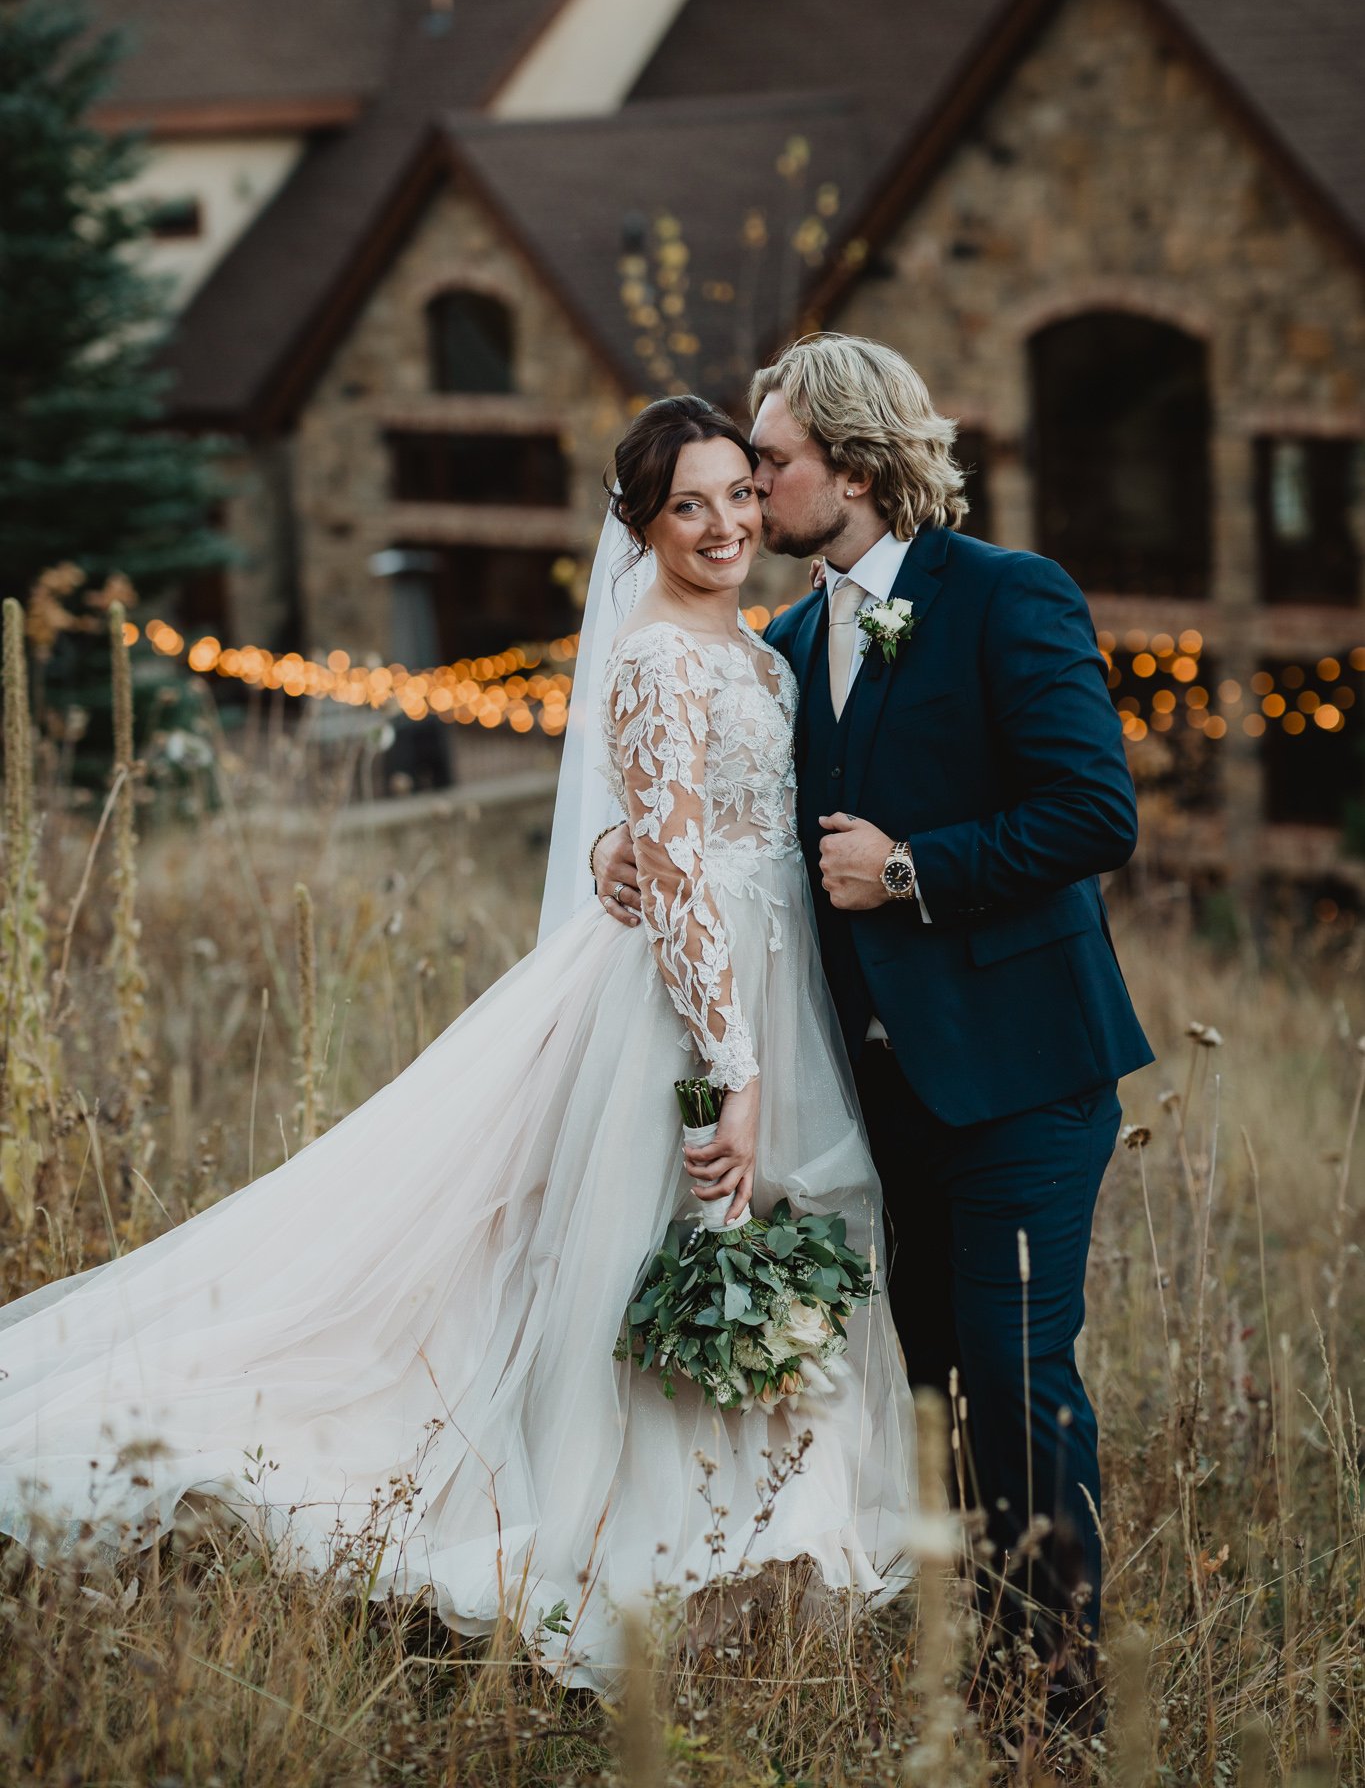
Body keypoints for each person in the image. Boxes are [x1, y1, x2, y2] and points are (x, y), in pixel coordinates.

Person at [0, 395, 915, 1692]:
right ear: (641, 529)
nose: (721, 525)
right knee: (668, 1244)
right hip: (691, 1009)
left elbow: (698, 835)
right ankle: (656, 1544)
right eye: (686, 507)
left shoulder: (760, 650)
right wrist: (731, 1075)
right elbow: (673, 882)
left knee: (730, 1248)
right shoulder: (655, 657)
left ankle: (752, 1536)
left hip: (772, 985)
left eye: (735, 494)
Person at [594, 333, 1153, 1714]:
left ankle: (1064, 1697)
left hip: (1022, 1076)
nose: (748, 493)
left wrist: (911, 867)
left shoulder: (1005, 598)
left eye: (768, 465)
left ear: (847, 466)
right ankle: (982, 1665)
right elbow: (734, 842)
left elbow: (1095, 815)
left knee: (1019, 1378)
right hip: (872, 1098)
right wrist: (626, 851)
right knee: (937, 1385)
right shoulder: (781, 649)